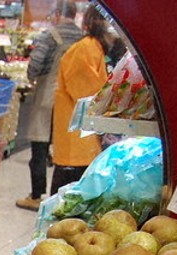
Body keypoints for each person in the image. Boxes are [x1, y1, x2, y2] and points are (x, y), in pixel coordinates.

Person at [15, 0, 82, 211]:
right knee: (67, 148)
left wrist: (32, 77)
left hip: (48, 98)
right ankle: (63, 196)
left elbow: (35, 65)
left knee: (40, 146)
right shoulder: (83, 38)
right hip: (73, 100)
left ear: (56, 14)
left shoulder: (49, 36)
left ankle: (37, 195)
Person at [49, 4, 110, 195]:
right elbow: (88, 96)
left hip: (81, 141)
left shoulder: (92, 48)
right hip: (76, 143)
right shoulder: (85, 50)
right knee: (66, 205)